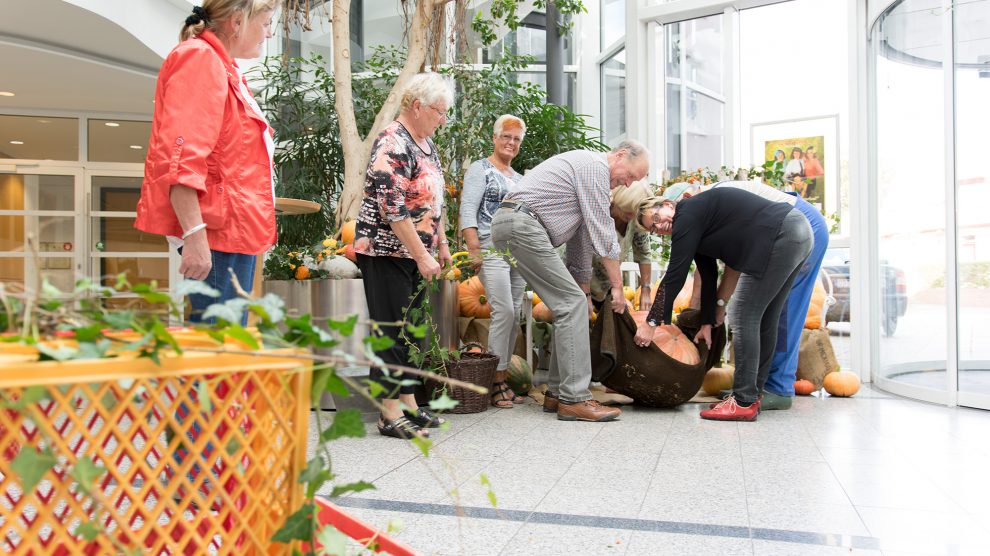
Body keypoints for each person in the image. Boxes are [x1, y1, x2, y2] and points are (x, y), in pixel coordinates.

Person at [135, 0, 280, 326]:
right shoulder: (200, 59)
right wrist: (195, 236)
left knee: (225, 345)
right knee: (219, 346)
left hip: (232, 230)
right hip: (217, 232)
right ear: (237, 21)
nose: (269, 33)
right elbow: (181, 158)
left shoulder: (222, 66)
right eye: (267, 22)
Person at [491, 141, 650, 422]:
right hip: (522, 223)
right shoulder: (594, 167)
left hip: (515, 224)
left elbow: (583, 242)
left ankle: (556, 393)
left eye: (634, 181)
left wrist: (585, 290)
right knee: (570, 304)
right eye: (632, 175)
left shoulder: (590, 174)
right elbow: (604, 234)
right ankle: (575, 398)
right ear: (621, 155)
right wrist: (617, 288)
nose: (628, 183)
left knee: (572, 304)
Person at [634, 186, 812, 421]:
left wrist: (652, 321)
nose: (660, 226)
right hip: (797, 232)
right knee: (765, 317)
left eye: (657, 217)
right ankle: (752, 394)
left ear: (668, 204)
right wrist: (707, 321)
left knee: (743, 314)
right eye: (653, 228)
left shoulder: (687, 212)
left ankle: (742, 401)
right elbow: (708, 275)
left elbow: (675, 274)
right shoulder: (696, 221)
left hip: (781, 234)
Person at [352, 73, 454, 439]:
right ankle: (388, 412)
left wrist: (440, 245)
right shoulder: (392, 142)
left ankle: (409, 403)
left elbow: (432, 201)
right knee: (391, 330)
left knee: (412, 331)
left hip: (416, 252)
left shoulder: (424, 143)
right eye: (440, 112)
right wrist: (421, 255)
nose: (443, 119)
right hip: (386, 251)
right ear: (417, 107)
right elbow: (393, 209)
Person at [668, 180, 830, 410]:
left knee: (779, 312)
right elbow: (733, 261)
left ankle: (776, 387)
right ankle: (752, 388)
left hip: (798, 225)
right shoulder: (711, 206)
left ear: (686, 197)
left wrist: (714, 309)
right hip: (789, 227)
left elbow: (734, 265)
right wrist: (713, 310)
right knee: (766, 312)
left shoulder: (711, 202)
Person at [459, 115, 528, 408]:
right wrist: (474, 248)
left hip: (519, 250)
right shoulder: (481, 169)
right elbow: (467, 209)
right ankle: (495, 381)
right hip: (490, 246)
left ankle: (500, 375)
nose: (511, 143)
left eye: (516, 139)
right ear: (495, 138)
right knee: (505, 311)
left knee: (516, 315)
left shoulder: (521, 179)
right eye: (506, 137)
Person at [590, 179, 653, 311]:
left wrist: (646, 289)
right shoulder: (598, 213)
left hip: (607, 287)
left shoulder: (635, 219)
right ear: (617, 200)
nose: (631, 216)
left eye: (635, 212)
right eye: (627, 210)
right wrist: (585, 295)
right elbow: (578, 256)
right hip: (578, 281)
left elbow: (644, 254)